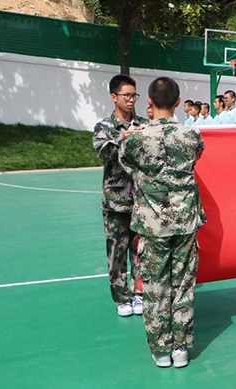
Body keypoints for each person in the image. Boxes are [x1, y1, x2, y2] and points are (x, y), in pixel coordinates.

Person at [119, 76, 205, 368]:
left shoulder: (136, 138)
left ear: (149, 102)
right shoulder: (192, 135)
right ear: (179, 102)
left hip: (153, 222)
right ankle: (180, 347)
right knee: (183, 284)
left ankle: (161, 349)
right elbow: (196, 157)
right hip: (186, 220)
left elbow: (127, 164)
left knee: (155, 286)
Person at [92, 74, 146, 318]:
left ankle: (138, 293)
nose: (131, 100)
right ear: (114, 97)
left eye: (134, 95)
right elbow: (103, 154)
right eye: (127, 95)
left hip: (141, 199)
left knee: (140, 250)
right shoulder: (104, 127)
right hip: (115, 202)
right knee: (116, 251)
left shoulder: (143, 124)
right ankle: (121, 297)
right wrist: (120, 138)